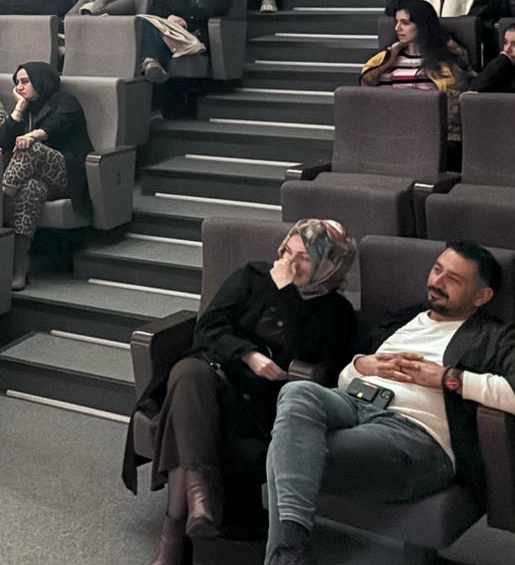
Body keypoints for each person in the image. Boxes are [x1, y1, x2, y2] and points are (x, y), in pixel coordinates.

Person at [263, 241, 515, 565]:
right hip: (355, 403)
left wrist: (447, 378)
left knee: (288, 448)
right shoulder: (401, 319)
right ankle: (289, 553)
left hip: (415, 435)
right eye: (437, 270)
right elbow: (343, 377)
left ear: (481, 296)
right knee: (297, 392)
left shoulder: (497, 336)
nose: (437, 282)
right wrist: (362, 366)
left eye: (453, 279)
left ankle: (285, 553)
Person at [126, 220, 358, 561]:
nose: (289, 262)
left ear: (328, 267)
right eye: (287, 251)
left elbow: (307, 351)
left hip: (260, 402)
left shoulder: (337, 312)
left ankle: (176, 538)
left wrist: (286, 292)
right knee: (189, 372)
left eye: (305, 258)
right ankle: (200, 497)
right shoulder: (252, 276)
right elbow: (207, 328)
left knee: (184, 408)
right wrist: (248, 355)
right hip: (215, 372)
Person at [0, 63, 91, 290]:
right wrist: (19, 108)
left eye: (25, 81)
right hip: (36, 180)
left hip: (67, 174)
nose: (19, 87)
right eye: (17, 83)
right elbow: (1, 142)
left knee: (30, 148)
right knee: (30, 190)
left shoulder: (65, 101)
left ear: (41, 80)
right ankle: (20, 269)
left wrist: (33, 136)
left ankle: (1, 202)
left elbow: (58, 124)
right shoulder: (26, 109)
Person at [139, 0, 234, 84]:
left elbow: (210, 10)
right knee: (143, 21)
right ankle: (152, 65)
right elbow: (155, 8)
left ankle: (151, 63)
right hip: (167, 28)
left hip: (190, 35)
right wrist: (170, 17)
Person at [361, 1, 472, 96]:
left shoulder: (445, 59)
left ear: (422, 25)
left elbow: (454, 95)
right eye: (397, 22)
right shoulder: (389, 55)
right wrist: (388, 61)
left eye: (405, 23)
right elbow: (367, 82)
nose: (397, 28)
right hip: (390, 110)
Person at [468, 20, 515, 94]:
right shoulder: (503, 65)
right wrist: (500, 61)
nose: (507, 49)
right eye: (505, 43)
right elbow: (473, 91)